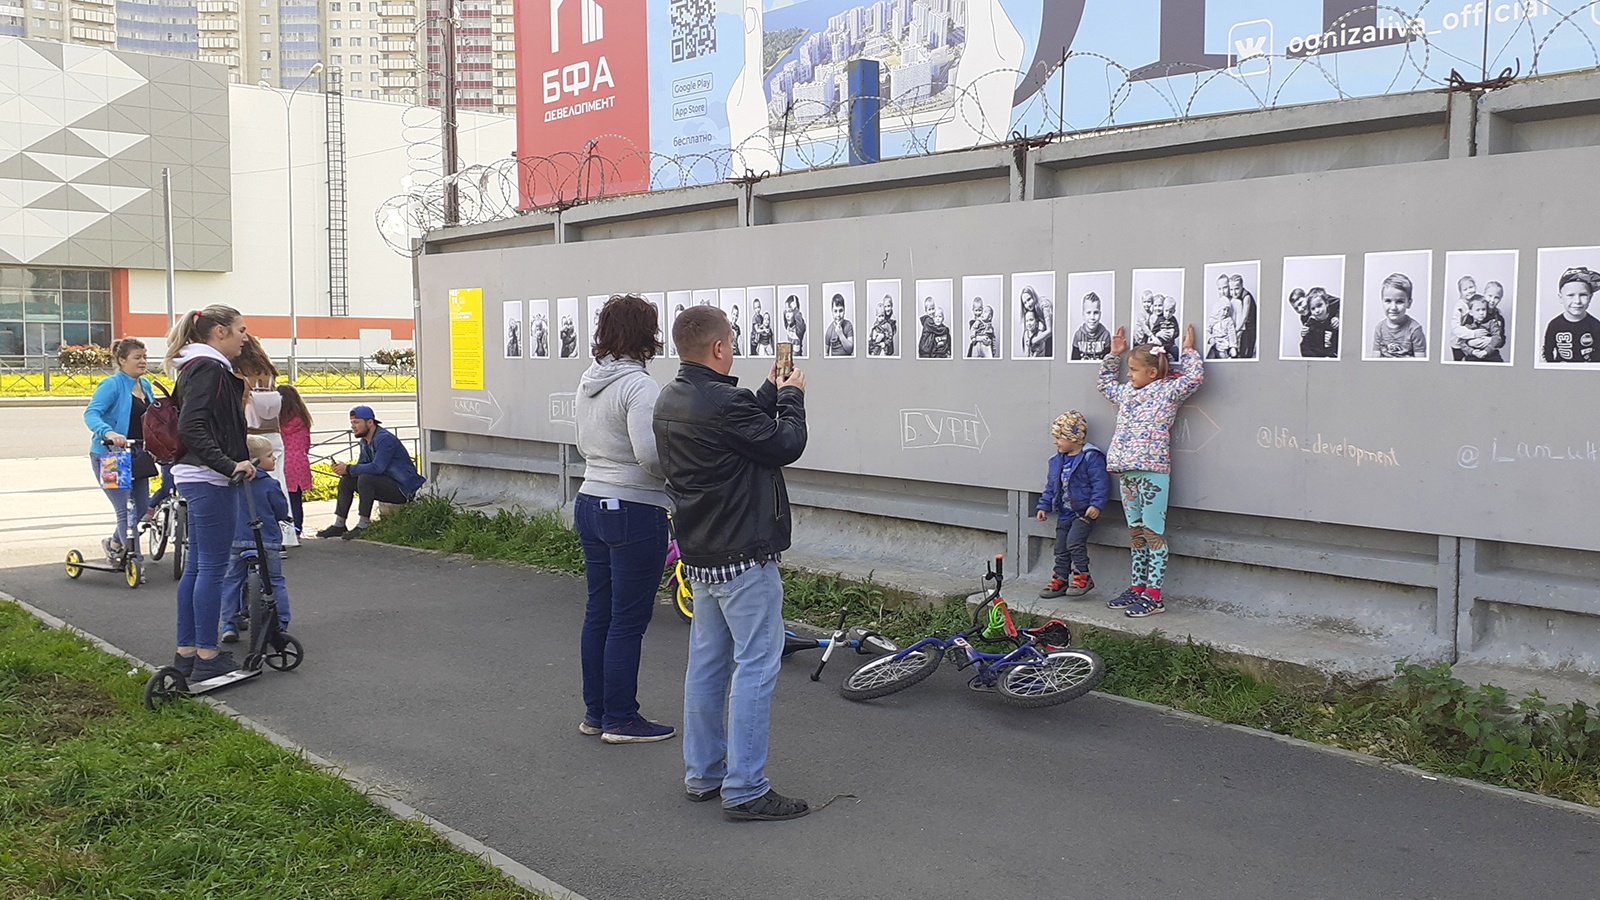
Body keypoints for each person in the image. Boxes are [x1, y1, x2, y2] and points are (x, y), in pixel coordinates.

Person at [652, 305, 811, 821]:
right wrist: (791, 398)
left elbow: (736, 433)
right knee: (757, 667)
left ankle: (704, 774)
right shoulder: (724, 403)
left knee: (707, 665)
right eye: (734, 341)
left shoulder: (671, 398)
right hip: (744, 556)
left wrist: (766, 394)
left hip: (701, 557)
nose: (737, 348)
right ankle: (745, 788)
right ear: (718, 348)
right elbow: (784, 443)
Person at [571, 294, 675, 744]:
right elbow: (650, 455)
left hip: (590, 500)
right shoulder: (639, 386)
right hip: (633, 508)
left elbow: (581, 443)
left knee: (600, 612)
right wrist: (678, 476)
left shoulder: (588, 380)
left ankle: (596, 713)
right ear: (645, 334)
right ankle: (621, 719)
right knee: (628, 621)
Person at [167, 305, 255, 681]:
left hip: (194, 476)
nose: (245, 337)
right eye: (241, 330)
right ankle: (207, 654)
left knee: (198, 568)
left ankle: (187, 652)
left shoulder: (192, 365)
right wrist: (229, 464)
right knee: (212, 570)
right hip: (209, 479)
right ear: (219, 332)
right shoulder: (209, 367)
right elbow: (192, 426)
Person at [1097, 324, 1204, 618]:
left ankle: (1154, 596)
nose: (1128, 374)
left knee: (1153, 534)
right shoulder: (1127, 393)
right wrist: (1114, 355)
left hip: (1153, 472)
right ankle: (1137, 588)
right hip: (1127, 472)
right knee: (1135, 533)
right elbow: (1105, 385)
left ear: (1152, 373)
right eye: (1128, 369)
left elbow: (1195, 378)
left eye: (1133, 369)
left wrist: (1189, 350)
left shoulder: (1168, 391)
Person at [84, 337, 156, 561]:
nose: (143, 361)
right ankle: (134, 559)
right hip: (112, 456)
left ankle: (114, 543)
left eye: (144, 357)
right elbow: (91, 414)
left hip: (138, 454)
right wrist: (109, 433)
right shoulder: (111, 385)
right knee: (126, 509)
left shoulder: (145, 385)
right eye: (137, 358)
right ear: (122, 360)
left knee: (142, 507)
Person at [220, 435, 293, 643]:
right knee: (275, 581)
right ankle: (281, 621)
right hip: (266, 540)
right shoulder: (271, 485)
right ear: (255, 461)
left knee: (232, 580)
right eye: (270, 456)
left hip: (236, 539)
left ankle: (229, 624)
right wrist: (283, 517)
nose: (274, 459)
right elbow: (280, 510)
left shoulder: (232, 483)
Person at [314, 405, 425, 539]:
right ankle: (339, 524)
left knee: (366, 478)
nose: (353, 426)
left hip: (402, 488)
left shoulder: (384, 439)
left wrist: (349, 468)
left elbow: (378, 467)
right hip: (384, 484)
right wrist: (345, 471)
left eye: (356, 422)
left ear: (370, 422)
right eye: (352, 423)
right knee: (347, 480)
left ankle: (363, 524)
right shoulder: (364, 441)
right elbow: (362, 465)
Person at [1035, 411, 1110, 600]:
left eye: (1059, 437)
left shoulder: (1090, 457)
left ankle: (1083, 576)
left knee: (1074, 542)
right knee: (1060, 547)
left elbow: (1100, 482)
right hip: (1064, 512)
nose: (1055, 441)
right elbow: (1051, 486)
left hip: (1084, 513)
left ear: (1074, 437)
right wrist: (1043, 506)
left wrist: (1096, 504)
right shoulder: (1056, 461)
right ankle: (1060, 579)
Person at [234, 335, 297, 547]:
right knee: (278, 484)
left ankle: (255, 534)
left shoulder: (238, 372)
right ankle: (286, 535)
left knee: (252, 486)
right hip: (273, 433)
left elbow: (240, 403)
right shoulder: (267, 371)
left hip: (250, 436)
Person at [1541, 266, 1600, 363]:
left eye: (1583, 295)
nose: (1577, 301)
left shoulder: (1596, 325)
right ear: (1561, 298)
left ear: (1590, 298)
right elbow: (1548, 351)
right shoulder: (1554, 325)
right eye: (1570, 295)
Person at [277, 385, 314, 537]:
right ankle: (297, 531)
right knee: (296, 500)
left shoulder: (278, 421)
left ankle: (284, 532)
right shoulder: (303, 419)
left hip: (283, 462)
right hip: (300, 462)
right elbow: (306, 443)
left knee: (281, 499)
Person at [1372, 273, 1426, 358]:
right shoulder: (1379, 328)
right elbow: (1375, 358)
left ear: (1409, 303)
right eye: (1388, 301)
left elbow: (1421, 360)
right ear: (1382, 302)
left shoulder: (1415, 329)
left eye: (1399, 301)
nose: (1393, 307)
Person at [1454, 295, 1505, 363]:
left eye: (1483, 309)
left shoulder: (1491, 323)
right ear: (1471, 313)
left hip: (1491, 356)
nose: (1481, 313)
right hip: (1473, 356)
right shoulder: (1467, 327)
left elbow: (1497, 338)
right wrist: (1472, 351)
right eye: (1477, 310)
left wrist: (1486, 351)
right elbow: (1462, 342)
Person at [1299, 288, 1341, 358]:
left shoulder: (1335, 322)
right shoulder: (1311, 325)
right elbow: (1305, 347)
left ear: (1327, 303)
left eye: (1319, 305)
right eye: (1313, 308)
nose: (1317, 310)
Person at [1070, 292, 1111, 360]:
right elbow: (1074, 361)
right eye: (1088, 313)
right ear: (1083, 315)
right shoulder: (1078, 335)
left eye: (1096, 313)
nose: (1092, 317)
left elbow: (1107, 362)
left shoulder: (1105, 335)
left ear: (1100, 314)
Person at [1229, 274, 1257, 358]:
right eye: (1231, 289)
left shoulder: (1246, 297)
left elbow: (1244, 318)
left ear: (1242, 286)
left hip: (1249, 328)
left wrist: (1235, 331)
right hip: (1242, 327)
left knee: (1247, 351)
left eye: (1237, 289)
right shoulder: (1233, 297)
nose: (1234, 292)